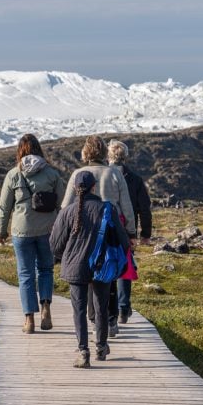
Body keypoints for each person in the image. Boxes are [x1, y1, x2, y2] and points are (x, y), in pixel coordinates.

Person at [50, 171, 131, 368]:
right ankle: (101, 347)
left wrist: (67, 256)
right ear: (94, 187)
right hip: (102, 265)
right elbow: (122, 239)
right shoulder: (107, 209)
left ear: (75, 189)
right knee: (101, 306)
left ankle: (83, 350)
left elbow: (54, 244)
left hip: (75, 266)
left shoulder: (67, 212)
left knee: (79, 309)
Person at [60, 135, 136, 335]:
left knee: (88, 275)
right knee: (108, 275)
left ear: (85, 153)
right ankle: (110, 320)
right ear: (104, 153)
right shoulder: (114, 174)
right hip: (110, 231)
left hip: (83, 230)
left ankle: (94, 319)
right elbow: (126, 205)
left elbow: (66, 206)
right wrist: (131, 233)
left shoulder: (78, 173)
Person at [0, 134, 66, 334]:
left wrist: (1, 231)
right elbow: (63, 205)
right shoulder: (52, 174)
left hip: (22, 231)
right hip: (48, 230)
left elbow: (4, 207)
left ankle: (29, 320)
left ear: (20, 151)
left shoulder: (13, 175)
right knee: (45, 270)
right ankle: (45, 308)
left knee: (25, 274)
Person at [108, 140, 152, 323]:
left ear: (109, 155)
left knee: (107, 264)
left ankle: (109, 308)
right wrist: (145, 234)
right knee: (124, 265)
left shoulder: (102, 175)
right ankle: (123, 308)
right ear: (125, 156)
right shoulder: (134, 179)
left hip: (105, 227)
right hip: (127, 229)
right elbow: (145, 208)